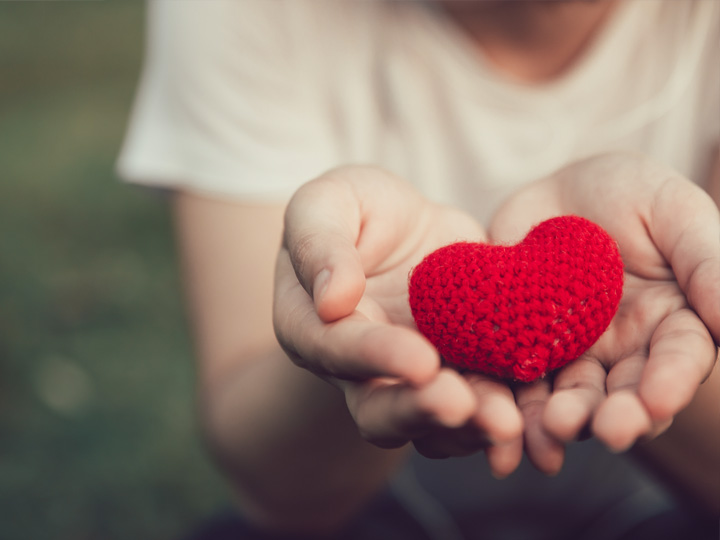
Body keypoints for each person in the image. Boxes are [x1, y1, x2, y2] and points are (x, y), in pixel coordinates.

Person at [117, 1, 720, 538]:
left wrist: (673, 313)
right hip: (379, 499)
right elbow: (273, 489)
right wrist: (346, 345)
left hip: (662, 497)